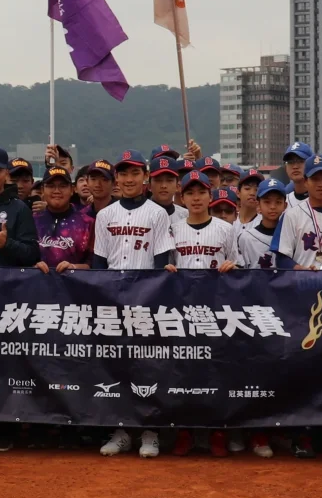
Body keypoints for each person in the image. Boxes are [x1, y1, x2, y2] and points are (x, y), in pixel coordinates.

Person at [93, 152, 177, 460]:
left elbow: (160, 262)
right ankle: (121, 430)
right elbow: (99, 263)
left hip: (145, 300)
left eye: (135, 173)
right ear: (117, 177)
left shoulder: (158, 214)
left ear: (145, 177)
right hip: (113, 300)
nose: (129, 179)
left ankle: (150, 431)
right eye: (124, 173)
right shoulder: (105, 215)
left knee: (148, 367)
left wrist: (150, 299)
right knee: (116, 367)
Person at [165, 171, 237, 458]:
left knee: (215, 372)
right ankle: (185, 431)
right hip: (182, 311)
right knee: (184, 373)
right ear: (182, 197)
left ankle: (217, 431)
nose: (196, 198)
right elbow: (166, 266)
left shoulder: (225, 229)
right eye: (190, 193)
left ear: (210, 195)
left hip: (215, 310)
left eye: (201, 192)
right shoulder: (173, 229)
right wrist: (167, 271)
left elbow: (238, 266)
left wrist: (233, 267)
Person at [277, 155, 322, 266]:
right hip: (304, 276)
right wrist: (303, 271)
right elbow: (282, 258)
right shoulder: (291, 216)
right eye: (315, 179)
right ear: (305, 181)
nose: (321, 184)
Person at [32, 167, 93, 272]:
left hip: (74, 282)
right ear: (42, 190)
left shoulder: (88, 222)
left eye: (63, 186)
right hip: (38, 281)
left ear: (72, 190)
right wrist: (32, 268)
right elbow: (20, 261)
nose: (57, 191)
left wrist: (73, 268)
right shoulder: (32, 221)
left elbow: (94, 264)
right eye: (51, 186)